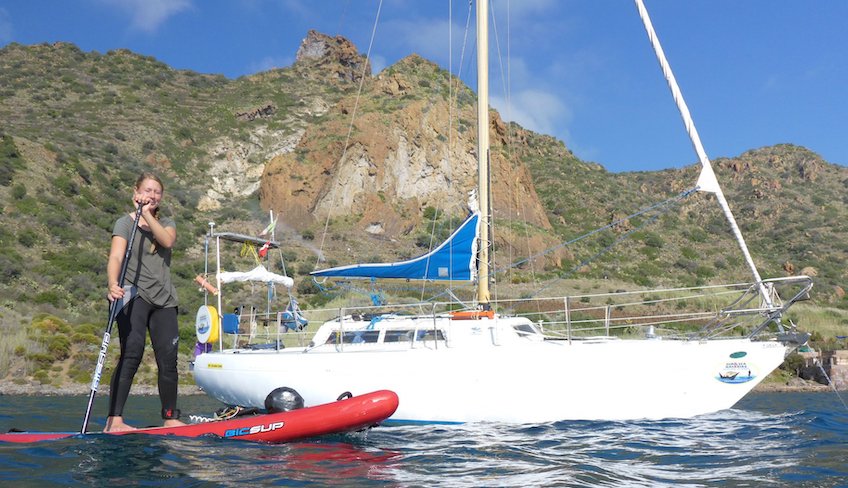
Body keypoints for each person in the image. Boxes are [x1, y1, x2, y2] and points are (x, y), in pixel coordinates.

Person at [104, 172, 184, 432]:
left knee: (168, 359)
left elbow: (167, 241)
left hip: (164, 299)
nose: (152, 195)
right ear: (135, 192)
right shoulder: (124, 224)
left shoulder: (167, 221)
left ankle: (170, 416)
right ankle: (114, 420)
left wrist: (147, 214)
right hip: (131, 294)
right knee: (132, 351)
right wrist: (112, 284)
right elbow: (116, 257)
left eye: (157, 192)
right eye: (147, 190)